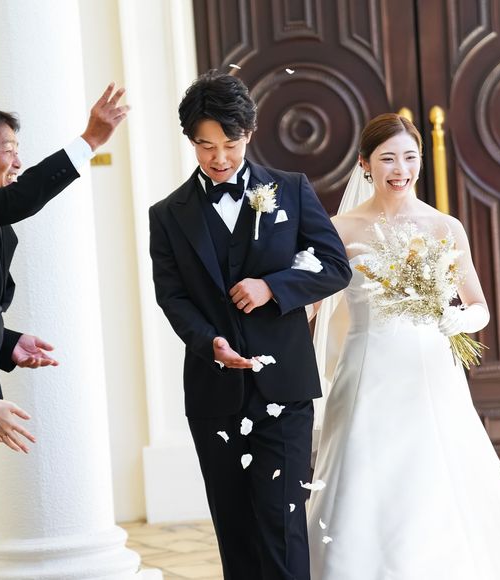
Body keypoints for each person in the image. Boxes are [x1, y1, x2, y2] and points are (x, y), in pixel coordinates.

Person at [307, 113, 500, 579]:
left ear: (421, 161)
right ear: (365, 164)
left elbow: (479, 306)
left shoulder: (444, 226)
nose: (400, 169)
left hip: (429, 371)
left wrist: (459, 318)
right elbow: (310, 304)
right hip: (365, 371)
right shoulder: (339, 228)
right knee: (360, 476)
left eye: (410, 157)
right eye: (388, 158)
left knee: (436, 474)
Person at [149, 70, 351, 580]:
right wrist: (209, 343)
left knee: (283, 524)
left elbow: (335, 266)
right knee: (235, 526)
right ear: (190, 141)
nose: (219, 157)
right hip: (213, 391)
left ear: (250, 133)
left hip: (285, 385)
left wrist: (273, 287)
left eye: (230, 144)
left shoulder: (291, 190)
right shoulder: (167, 214)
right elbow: (172, 297)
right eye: (206, 146)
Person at [0, 84, 129, 454]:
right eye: (9, 150)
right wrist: (90, 140)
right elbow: (23, 197)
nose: (18, 163)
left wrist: (6, 342)